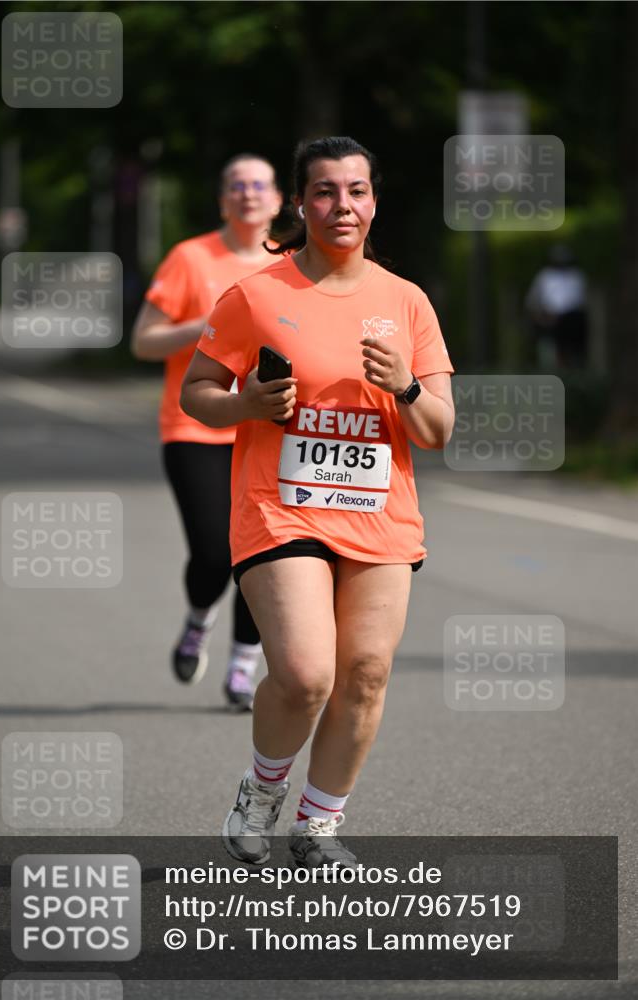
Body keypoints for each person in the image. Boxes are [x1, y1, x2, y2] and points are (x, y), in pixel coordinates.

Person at [180, 136, 455, 868]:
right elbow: (195, 392)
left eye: (357, 191)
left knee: (364, 672)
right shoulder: (258, 295)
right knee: (306, 674)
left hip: (378, 516)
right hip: (282, 506)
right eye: (326, 191)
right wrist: (245, 404)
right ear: (300, 203)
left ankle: (318, 825)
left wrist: (405, 385)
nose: (343, 206)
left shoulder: (405, 302)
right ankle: (261, 792)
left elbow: (436, 429)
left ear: (373, 201)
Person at [131, 154, 283, 710]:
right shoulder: (190, 259)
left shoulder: (292, 264)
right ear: (224, 199)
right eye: (237, 185)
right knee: (215, 555)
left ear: (278, 199)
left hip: (265, 429)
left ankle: (243, 666)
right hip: (195, 426)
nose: (248, 194)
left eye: (259, 185)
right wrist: (211, 325)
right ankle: (199, 619)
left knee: (261, 555)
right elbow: (143, 342)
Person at [525, 244, 588, 370]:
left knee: (574, 350)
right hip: (552, 320)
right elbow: (533, 301)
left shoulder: (577, 275)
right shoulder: (545, 276)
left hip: (574, 319)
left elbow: (583, 300)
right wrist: (541, 317)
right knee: (553, 351)